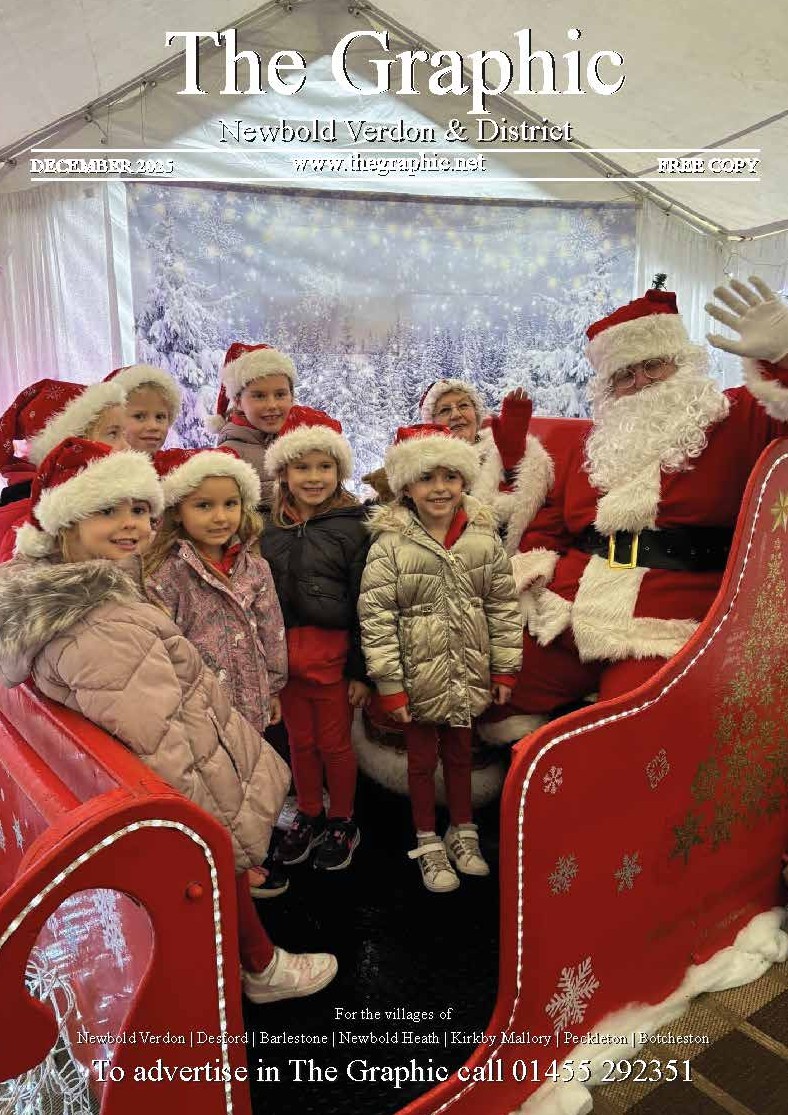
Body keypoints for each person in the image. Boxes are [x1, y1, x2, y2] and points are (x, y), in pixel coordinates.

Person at [0, 437, 337, 1003]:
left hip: (169, 772)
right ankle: (258, 969)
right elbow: (159, 740)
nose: (130, 524)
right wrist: (209, 832)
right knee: (224, 869)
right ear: (64, 522)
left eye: (138, 509)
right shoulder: (99, 626)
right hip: (180, 791)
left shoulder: (82, 589)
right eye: (107, 510)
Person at [492, 275, 788, 740]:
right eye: (624, 375)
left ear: (682, 362)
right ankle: (517, 778)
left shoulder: (738, 418)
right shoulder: (594, 443)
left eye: (652, 366)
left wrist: (784, 360)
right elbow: (551, 519)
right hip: (572, 606)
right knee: (483, 676)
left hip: (667, 618)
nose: (639, 383)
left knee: (633, 733)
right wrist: (535, 562)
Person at [358, 423, 522, 893]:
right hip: (415, 676)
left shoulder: (482, 538)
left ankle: (463, 830)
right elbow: (376, 619)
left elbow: (502, 606)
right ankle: (427, 838)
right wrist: (390, 686)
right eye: (428, 477)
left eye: (451, 476)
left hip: (467, 670)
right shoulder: (390, 545)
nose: (440, 488)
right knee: (420, 759)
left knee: (461, 755)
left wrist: (505, 667)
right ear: (407, 485)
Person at [144, 446, 289, 897]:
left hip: (251, 697)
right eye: (203, 505)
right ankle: (228, 868)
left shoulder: (256, 568)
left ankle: (249, 854)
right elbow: (160, 643)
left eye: (230, 503)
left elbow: (272, 629)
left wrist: (274, 687)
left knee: (250, 778)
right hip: (201, 707)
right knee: (215, 786)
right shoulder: (166, 575)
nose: (220, 516)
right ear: (178, 511)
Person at [260, 406, 371, 872]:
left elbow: (369, 601)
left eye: (325, 466)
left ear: (339, 470)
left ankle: (343, 819)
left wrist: (361, 671)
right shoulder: (266, 524)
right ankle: (308, 811)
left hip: (332, 661)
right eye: (302, 466)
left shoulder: (353, 526)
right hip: (286, 663)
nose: (313, 477)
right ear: (283, 470)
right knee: (300, 744)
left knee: (335, 745)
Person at [419, 378, 553, 555]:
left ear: (476, 413)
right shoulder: (421, 462)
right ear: (432, 422)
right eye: (445, 410)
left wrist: (512, 455)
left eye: (463, 406)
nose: (456, 414)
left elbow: (522, 502)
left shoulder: (496, 447)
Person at [0, 378, 129, 561]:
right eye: (113, 434)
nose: (126, 446)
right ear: (69, 445)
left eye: (124, 434)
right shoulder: (31, 524)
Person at [208, 342, 297, 510]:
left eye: (280, 394)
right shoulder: (229, 458)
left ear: (291, 397)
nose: (272, 405)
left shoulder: (302, 443)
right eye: (259, 396)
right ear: (237, 401)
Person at [104, 365, 182, 454]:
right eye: (139, 416)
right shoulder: (100, 466)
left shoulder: (176, 465)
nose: (153, 426)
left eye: (160, 417)